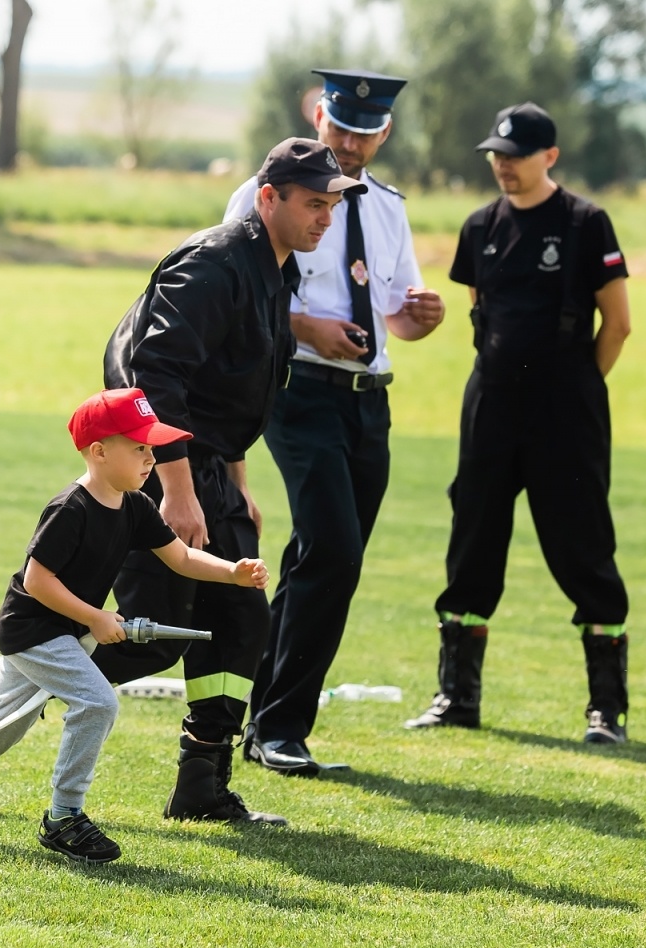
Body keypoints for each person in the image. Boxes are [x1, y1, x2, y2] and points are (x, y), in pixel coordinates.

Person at [91, 137, 361, 824]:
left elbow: (236, 387)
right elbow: (156, 378)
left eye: (330, 205)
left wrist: (236, 482)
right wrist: (178, 489)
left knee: (241, 616)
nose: (324, 219)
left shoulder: (277, 268)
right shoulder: (214, 264)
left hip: (210, 468)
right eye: (311, 204)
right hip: (161, 467)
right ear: (267, 198)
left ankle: (201, 785)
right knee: (146, 640)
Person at [0, 389, 268, 862]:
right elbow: (37, 580)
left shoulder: (134, 506)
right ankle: (64, 816)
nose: (152, 458)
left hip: (61, 632)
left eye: (153, 448)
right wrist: (94, 617)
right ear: (99, 452)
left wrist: (231, 571)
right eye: (140, 448)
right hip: (33, 631)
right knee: (97, 702)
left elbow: (181, 556)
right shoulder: (71, 508)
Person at [223, 70, 446, 777]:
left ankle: (253, 714)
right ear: (319, 116)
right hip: (297, 390)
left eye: (365, 131)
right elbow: (233, 300)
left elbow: (392, 315)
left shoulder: (386, 207)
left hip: (368, 401)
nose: (350, 143)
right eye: (340, 126)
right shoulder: (268, 192)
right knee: (335, 551)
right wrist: (306, 329)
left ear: (384, 133)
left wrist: (419, 320)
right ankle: (282, 728)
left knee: (322, 561)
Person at [403, 102, 633, 744]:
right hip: (492, 407)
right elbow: (481, 313)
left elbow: (617, 323)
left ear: (549, 157)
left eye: (516, 155)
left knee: (582, 548)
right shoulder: (480, 227)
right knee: (472, 541)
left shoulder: (586, 222)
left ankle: (606, 710)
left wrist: (577, 389)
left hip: (567, 411)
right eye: (496, 155)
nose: (503, 166)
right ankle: (457, 697)